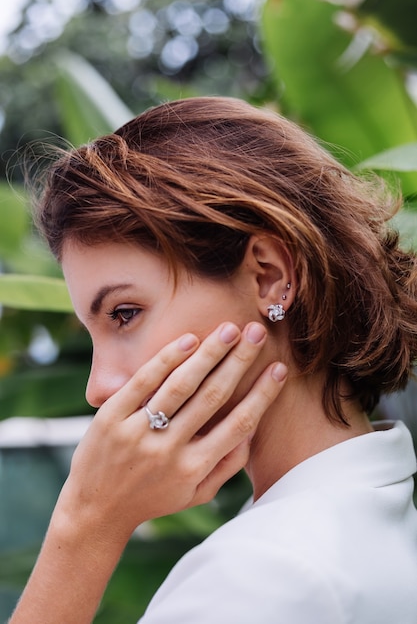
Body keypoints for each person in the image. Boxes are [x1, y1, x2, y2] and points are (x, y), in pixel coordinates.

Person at [10, 96, 417, 623]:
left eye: (125, 313)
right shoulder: (376, 509)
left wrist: (86, 524)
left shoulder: (260, 578)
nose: (99, 387)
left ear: (269, 277)